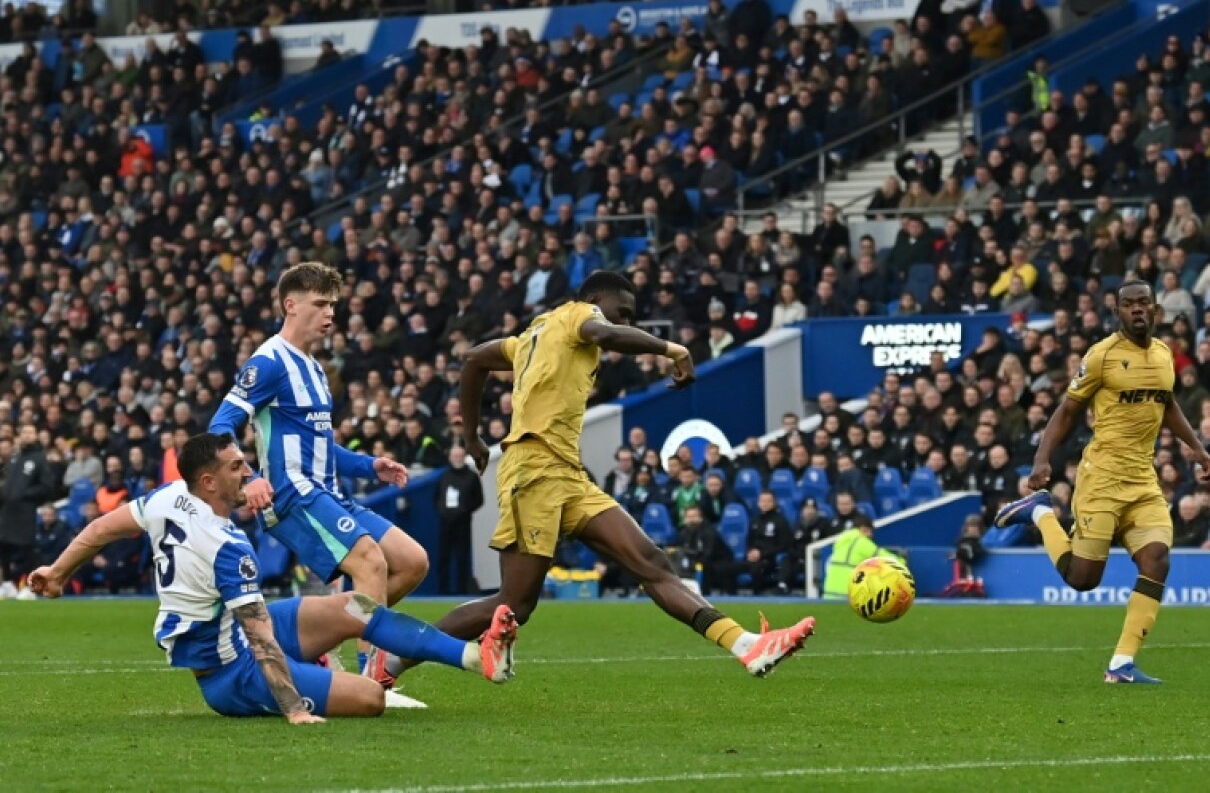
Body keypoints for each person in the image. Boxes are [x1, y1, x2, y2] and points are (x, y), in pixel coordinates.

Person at [366, 272, 814, 687]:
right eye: (624, 313)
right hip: (534, 469)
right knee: (515, 604)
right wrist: (669, 348)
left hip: (567, 473)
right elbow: (602, 331)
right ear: (597, 300)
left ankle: (747, 646)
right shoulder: (581, 314)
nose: (625, 323)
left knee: (651, 562)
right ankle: (392, 659)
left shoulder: (530, 337)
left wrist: (473, 436)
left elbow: (473, 361)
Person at [29, 433, 517, 722]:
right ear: (208, 482)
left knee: (356, 607)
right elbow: (259, 636)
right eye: (237, 467)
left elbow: (98, 529)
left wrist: (56, 571)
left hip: (236, 636)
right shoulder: (226, 545)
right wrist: (293, 707)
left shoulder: (166, 496)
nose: (250, 473)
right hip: (231, 673)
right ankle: (313, 679)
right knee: (371, 701)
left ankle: (476, 656)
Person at [995, 281, 1210, 684]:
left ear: (1155, 310)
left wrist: (1197, 449)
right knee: (1083, 579)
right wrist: (1042, 459)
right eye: (1128, 304)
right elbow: (1067, 410)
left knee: (1157, 559)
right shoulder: (1101, 356)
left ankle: (1120, 664)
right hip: (1102, 479)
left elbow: (1167, 405)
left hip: (1143, 481)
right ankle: (1042, 513)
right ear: (1118, 312)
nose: (1136, 309)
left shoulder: (1166, 355)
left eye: (1142, 303)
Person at [208, 263, 427, 663]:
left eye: (333, 306)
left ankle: (326, 632)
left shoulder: (315, 368)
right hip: (292, 495)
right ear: (290, 305)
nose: (330, 314)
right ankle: (370, 677)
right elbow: (220, 426)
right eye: (321, 304)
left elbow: (323, 448)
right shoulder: (269, 362)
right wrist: (248, 477)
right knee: (371, 563)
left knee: (413, 562)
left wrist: (368, 466)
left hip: (328, 493)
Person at [1, 423, 57, 599]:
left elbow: (46, 486)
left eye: (30, 432)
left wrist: (24, 495)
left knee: (27, 550)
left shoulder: (39, 458)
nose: (26, 435)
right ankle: (8, 584)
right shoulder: (15, 458)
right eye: (23, 432)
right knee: (3, 549)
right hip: (7, 511)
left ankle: (28, 586)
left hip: (25, 511)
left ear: (35, 436)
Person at [434, 444, 484, 595]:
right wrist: (443, 511)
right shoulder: (444, 476)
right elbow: (436, 497)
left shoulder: (472, 476)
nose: (457, 458)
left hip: (463, 523)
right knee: (444, 557)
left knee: (462, 557)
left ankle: (462, 590)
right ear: (450, 457)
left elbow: (479, 499)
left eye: (459, 456)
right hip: (445, 522)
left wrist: (464, 510)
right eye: (454, 456)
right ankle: (443, 590)